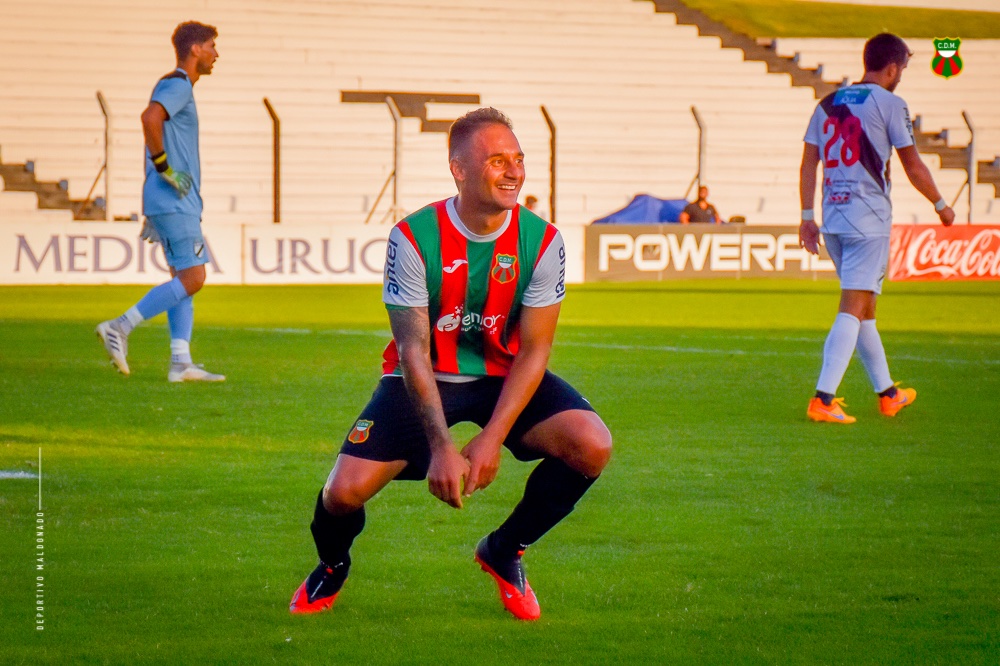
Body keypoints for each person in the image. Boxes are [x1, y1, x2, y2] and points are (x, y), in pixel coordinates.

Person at [289, 108, 612, 621]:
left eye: (519, 160)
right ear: (459, 169)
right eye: (497, 161)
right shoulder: (413, 237)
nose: (514, 172)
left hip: (501, 376)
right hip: (421, 378)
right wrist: (441, 445)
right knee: (343, 493)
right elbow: (413, 351)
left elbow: (534, 351)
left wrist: (490, 437)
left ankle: (504, 550)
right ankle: (332, 562)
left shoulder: (544, 241)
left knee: (592, 445)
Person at [799, 33, 954, 423]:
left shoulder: (827, 103)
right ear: (891, 68)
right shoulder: (890, 104)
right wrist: (940, 203)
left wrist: (806, 217)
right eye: (901, 68)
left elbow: (808, 163)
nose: (900, 75)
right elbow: (912, 164)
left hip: (833, 219)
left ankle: (889, 394)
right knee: (853, 306)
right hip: (868, 221)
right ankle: (823, 398)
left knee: (865, 308)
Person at [96, 21, 224, 383]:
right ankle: (120, 326)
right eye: (212, 46)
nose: (217, 54)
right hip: (173, 199)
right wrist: (164, 168)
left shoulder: (177, 85)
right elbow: (150, 118)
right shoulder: (178, 84)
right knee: (195, 277)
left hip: (170, 200)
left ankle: (180, 362)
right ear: (195, 49)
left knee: (182, 276)